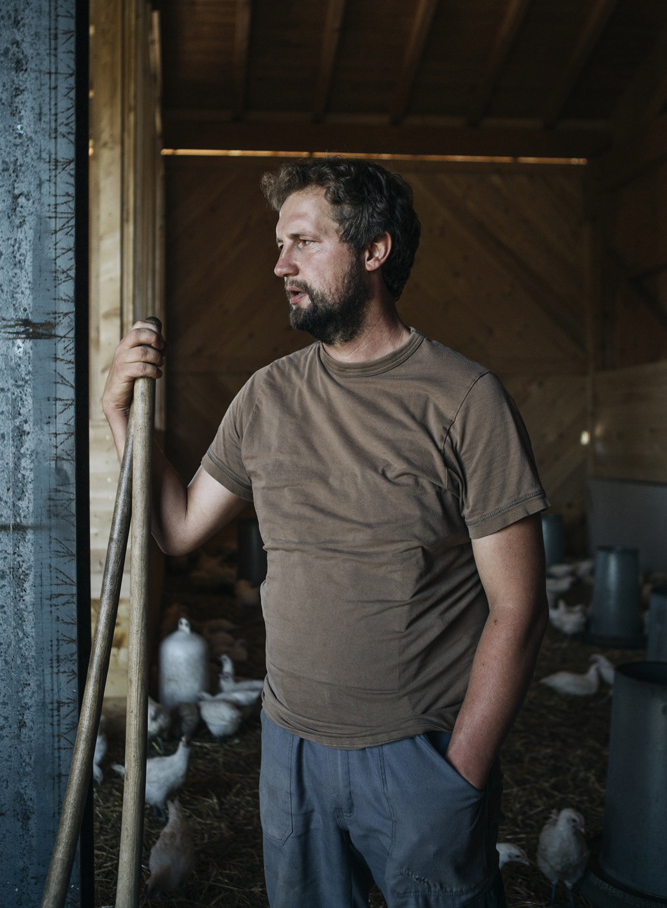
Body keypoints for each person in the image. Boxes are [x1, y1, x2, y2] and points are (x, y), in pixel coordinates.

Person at [103, 157, 549, 908]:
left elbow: (520, 608)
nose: (280, 264)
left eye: (303, 242)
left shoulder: (463, 400)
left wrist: (458, 777)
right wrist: (123, 417)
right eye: (280, 244)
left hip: (419, 755)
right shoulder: (267, 395)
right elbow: (177, 529)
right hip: (289, 747)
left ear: (373, 251)